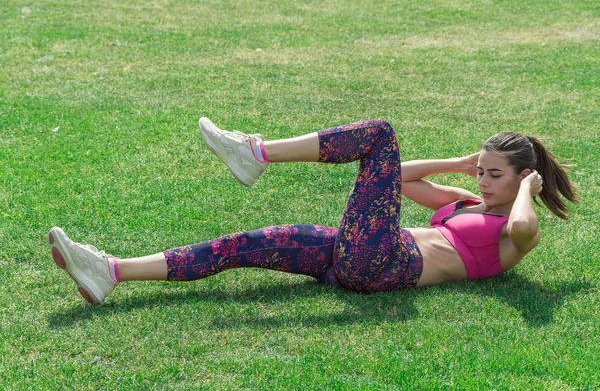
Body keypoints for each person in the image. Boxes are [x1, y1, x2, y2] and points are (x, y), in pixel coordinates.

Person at [48, 118, 577, 304]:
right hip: (356, 256)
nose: (483, 182)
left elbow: (526, 226)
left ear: (520, 177)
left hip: (386, 264)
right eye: (481, 171)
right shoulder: (464, 201)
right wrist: (462, 164)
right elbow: (397, 177)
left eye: (493, 174)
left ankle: (255, 153)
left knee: (380, 136)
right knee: (244, 244)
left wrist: (527, 188)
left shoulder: (513, 232)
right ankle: (111, 271)